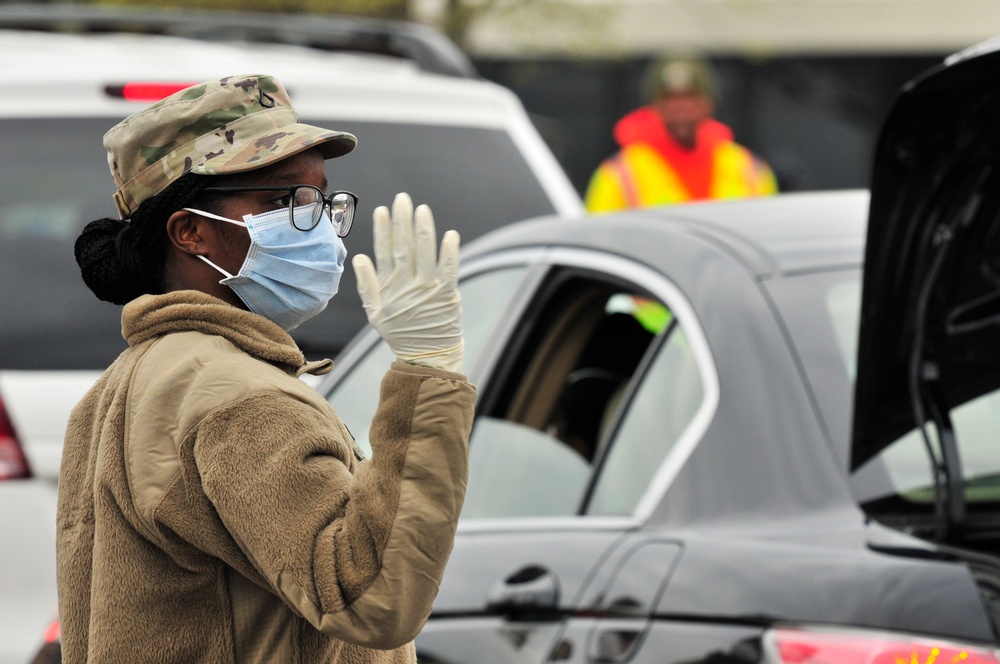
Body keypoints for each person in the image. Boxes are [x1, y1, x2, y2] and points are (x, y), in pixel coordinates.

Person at [57, 73, 476, 663]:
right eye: (285, 201)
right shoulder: (241, 398)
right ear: (191, 231)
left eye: (322, 198)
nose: (320, 222)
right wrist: (426, 378)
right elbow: (369, 596)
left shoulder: (126, 383)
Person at [584, 57, 778, 213]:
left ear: (709, 103)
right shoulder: (618, 174)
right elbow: (598, 241)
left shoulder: (750, 168)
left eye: (691, 97)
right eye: (670, 99)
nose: (681, 108)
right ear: (654, 106)